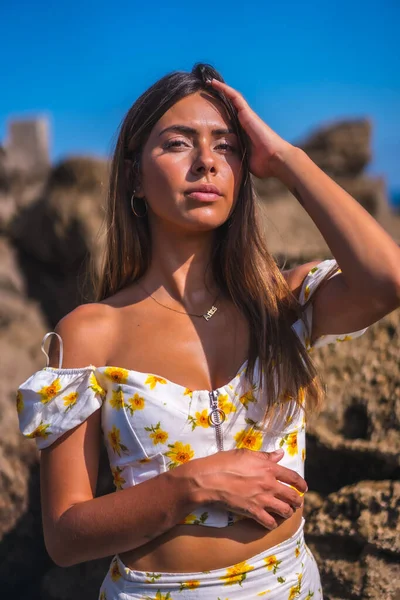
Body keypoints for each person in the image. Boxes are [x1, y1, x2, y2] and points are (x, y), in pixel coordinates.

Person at [16, 63, 400, 600]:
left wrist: (287, 161)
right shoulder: (90, 334)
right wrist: (192, 484)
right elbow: (64, 535)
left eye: (227, 147)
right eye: (178, 143)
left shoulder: (280, 304)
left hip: (291, 586)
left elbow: (389, 280)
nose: (207, 163)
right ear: (132, 175)